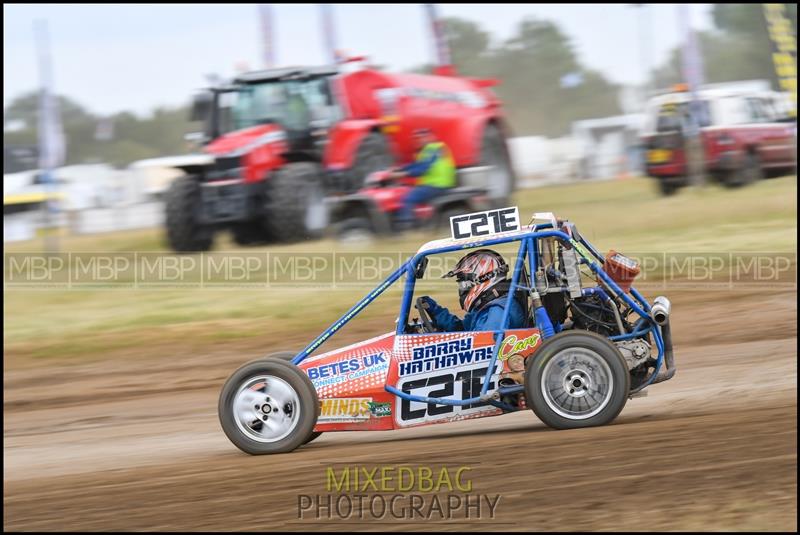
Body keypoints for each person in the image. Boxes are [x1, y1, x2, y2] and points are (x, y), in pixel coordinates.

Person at [420, 249, 527, 332]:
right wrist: (435, 310)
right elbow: (461, 328)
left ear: (484, 278)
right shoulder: (486, 306)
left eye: (465, 283)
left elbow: (486, 348)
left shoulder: (497, 311)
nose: (462, 288)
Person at [392, 128, 456, 228]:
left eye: (422, 138)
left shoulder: (432, 148)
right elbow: (417, 165)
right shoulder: (432, 149)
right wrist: (399, 169)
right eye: (417, 138)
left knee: (408, 199)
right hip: (439, 184)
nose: (419, 141)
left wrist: (403, 174)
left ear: (430, 137)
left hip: (436, 185)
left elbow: (422, 168)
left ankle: (407, 228)